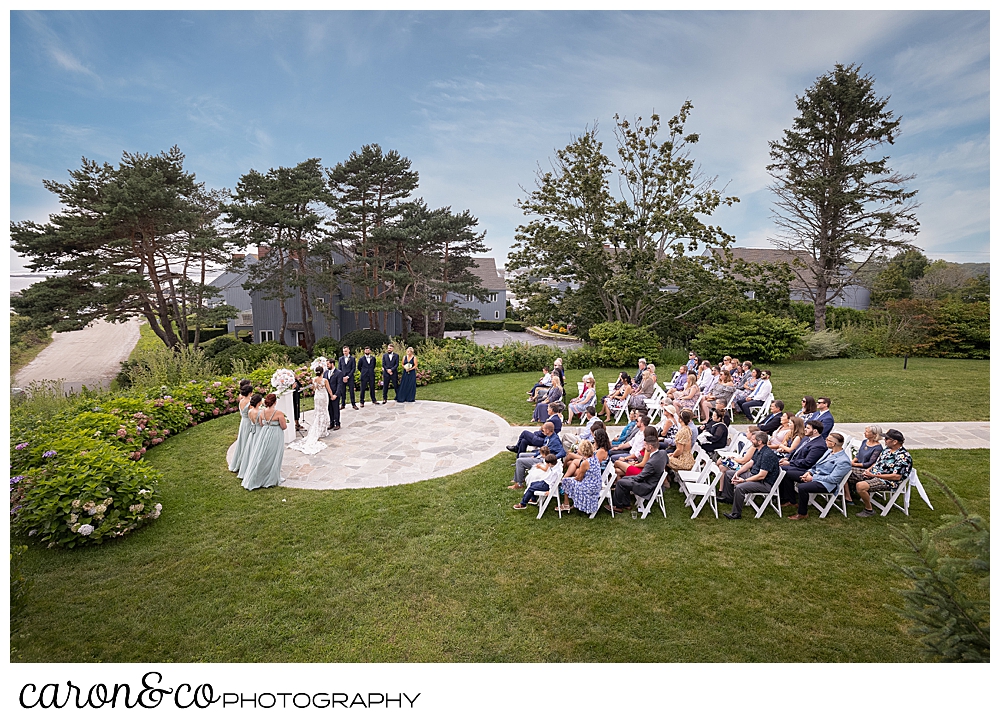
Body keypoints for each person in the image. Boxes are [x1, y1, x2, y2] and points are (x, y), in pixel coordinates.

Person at [788, 432, 852, 520]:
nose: (825, 441)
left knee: (803, 487)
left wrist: (812, 478)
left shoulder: (843, 461)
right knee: (788, 474)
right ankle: (791, 501)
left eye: (828, 440)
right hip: (815, 476)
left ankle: (802, 513)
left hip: (827, 484)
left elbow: (833, 479)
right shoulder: (829, 451)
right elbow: (816, 465)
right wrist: (809, 472)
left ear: (833, 444)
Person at [720, 431, 782, 520]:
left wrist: (744, 481)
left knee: (740, 487)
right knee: (729, 473)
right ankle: (729, 498)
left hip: (764, 483)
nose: (751, 441)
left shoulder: (768, 455)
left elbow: (761, 476)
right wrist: (737, 473)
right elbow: (750, 463)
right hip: (753, 475)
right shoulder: (759, 450)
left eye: (753, 440)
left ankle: (736, 514)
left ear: (759, 442)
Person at [855, 429, 912, 518]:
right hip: (873, 473)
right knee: (847, 471)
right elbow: (877, 463)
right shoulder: (886, 450)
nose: (884, 441)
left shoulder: (903, 457)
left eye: (887, 439)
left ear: (895, 442)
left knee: (860, 486)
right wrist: (869, 470)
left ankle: (869, 510)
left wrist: (874, 475)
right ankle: (847, 499)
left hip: (887, 481)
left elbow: (896, 476)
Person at [609, 431, 668, 512]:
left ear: (650, 447)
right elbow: (667, 461)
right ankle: (626, 504)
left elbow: (640, 477)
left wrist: (630, 479)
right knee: (625, 479)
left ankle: (618, 507)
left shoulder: (651, 463)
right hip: (652, 480)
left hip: (648, 486)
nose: (644, 446)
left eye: (645, 445)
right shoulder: (663, 453)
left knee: (621, 482)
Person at [777, 419, 828, 505]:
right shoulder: (806, 438)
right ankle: (779, 494)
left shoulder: (818, 445)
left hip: (805, 469)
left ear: (815, 431)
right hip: (795, 463)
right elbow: (795, 450)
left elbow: (808, 462)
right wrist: (787, 458)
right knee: (777, 466)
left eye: (807, 428)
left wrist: (790, 463)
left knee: (784, 472)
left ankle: (789, 499)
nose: (804, 429)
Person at [242, 393, 287, 491]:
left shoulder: (262, 412)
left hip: (264, 434)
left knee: (263, 453)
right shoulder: (278, 413)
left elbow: (261, 424)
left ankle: (261, 474)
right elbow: (284, 426)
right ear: (275, 402)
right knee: (274, 454)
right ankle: (272, 477)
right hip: (276, 434)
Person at [288, 367, 333, 455]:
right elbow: (329, 389)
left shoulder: (313, 379)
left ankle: (318, 428)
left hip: (317, 397)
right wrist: (331, 395)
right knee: (323, 412)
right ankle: (323, 430)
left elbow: (314, 389)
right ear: (322, 372)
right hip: (323, 396)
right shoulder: (325, 380)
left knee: (318, 412)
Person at [511, 422, 566, 489]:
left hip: (543, 460)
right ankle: (519, 478)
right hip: (540, 455)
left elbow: (563, 452)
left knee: (520, 461)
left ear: (548, 430)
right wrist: (535, 455)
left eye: (543, 429)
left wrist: (551, 458)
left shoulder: (555, 440)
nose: (542, 431)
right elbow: (543, 447)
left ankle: (519, 484)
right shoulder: (548, 437)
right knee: (521, 455)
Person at [558, 440, 603, 514]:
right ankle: (572, 502)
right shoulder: (595, 457)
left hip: (590, 487)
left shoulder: (586, 463)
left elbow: (579, 478)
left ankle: (566, 504)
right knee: (569, 480)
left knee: (565, 481)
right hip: (596, 483)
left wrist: (571, 479)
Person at [845, 425, 884, 504]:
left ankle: (848, 497)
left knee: (844, 471)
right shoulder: (864, 442)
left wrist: (854, 464)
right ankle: (847, 493)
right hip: (857, 466)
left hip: (866, 470)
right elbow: (858, 455)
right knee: (842, 468)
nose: (864, 433)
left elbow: (869, 464)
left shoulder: (878, 448)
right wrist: (853, 461)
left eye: (867, 432)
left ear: (874, 434)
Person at [228, 383, 256, 473]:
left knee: (242, 441)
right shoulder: (250, 403)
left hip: (243, 422)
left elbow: (242, 413)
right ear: (250, 393)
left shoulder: (241, 401)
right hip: (248, 423)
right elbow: (252, 414)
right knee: (248, 442)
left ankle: (239, 462)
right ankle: (246, 462)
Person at [236, 393, 264, 480]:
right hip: (258, 431)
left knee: (250, 447)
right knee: (258, 448)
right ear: (259, 402)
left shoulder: (249, 411)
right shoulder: (260, 412)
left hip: (252, 430)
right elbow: (261, 423)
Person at [667, 409, 695, 479]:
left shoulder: (682, 432)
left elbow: (679, 450)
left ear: (681, 419)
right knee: (665, 456)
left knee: (663, 458)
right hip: (688, 458)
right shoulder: (688, 429)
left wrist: (673, 455)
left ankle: (665, 480)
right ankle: (668, 476)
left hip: (684, 462)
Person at [337, 346, 358, 410]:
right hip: (342, 378)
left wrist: (348, 376)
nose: (344, 352)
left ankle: (353, 404)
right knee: (342, 391)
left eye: (346, 351)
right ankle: (343, 404)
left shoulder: (352, 358)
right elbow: (339, 369)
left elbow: (353, 368)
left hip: (350, 377)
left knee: (351, 391)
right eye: (343, 351)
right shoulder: (341, 359)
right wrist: (342, 377)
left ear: (349, 350)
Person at [324, 359, 342, 430]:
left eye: (328, 364)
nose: (327, 366)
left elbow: (340, 385)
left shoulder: (338, 373)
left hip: (335, 393)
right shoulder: (325, 373)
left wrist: (336, 394)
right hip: (327, 394)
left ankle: (337, 423)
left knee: (335, 409)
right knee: (330, 409)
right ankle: (331, 423)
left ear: (332, 364)